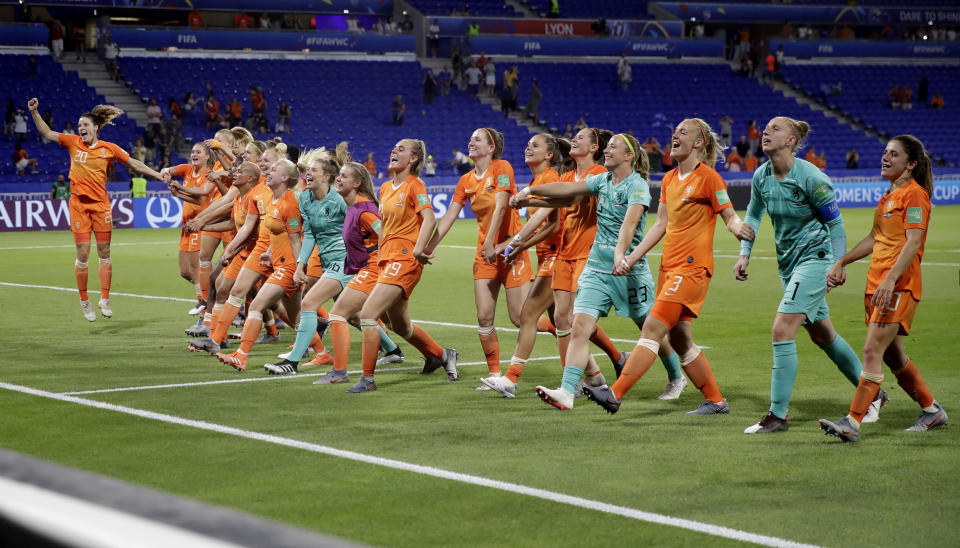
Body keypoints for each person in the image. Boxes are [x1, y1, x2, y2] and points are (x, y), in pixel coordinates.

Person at [580, 118, 753, 415]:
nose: (675, 135)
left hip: (692, 268)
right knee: (680, 339)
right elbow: (660, 224)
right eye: (675, 131)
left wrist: (737, 228)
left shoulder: (709, 178)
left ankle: (614, 394)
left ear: (698, 143)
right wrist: (630, 258)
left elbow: (729, 214)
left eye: (683, 132)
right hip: (669, 269)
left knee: (652, 328)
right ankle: (716, 400)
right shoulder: (670, 179)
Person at [734, 116, 880, 434]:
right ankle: (873, 393)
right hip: (787, 265)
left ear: (790, 141)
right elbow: (754, 215)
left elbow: (835, 224)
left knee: (782, 329)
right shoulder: (761, 177)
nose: (765, 132)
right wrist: (744, 253)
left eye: (774, 129)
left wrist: (837, 264)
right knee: (822, 334)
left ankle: (777, 416)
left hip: (816, 260)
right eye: (765, 128)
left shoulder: (812, 177)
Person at [507, 133, 664, 410]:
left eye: (613, 147)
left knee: (649, 327)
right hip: (593, 265)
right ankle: (569, 390)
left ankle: (675, 375)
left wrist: (620, 254)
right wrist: (531, 194)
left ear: (628, 156)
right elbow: (564, 196)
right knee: (575, 326)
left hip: (627, 268)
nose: (608, 150)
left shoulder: (633, 184)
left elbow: (629, 225)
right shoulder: (599, 180)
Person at [820, 135, 946, 442]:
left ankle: (852, 422)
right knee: (892, 357)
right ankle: (931, 411)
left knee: (871, 350)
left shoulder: (914, 196)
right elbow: (875, 238)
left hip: (898, 285)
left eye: (893, 154)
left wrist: (890, 280)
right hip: (878, 285)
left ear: (911, 164)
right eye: (884, 152)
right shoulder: (888, 196)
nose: (884, 158)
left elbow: (914, 241)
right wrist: (842, 262)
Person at [263, 148, 400, 375]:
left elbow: (366, 222)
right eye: (307, 171)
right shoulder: (306, 199)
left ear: (327, 177)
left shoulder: (339, 200)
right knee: (353, 316)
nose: (307, 175)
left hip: (344, 260)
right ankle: (393, 349)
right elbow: (311, 235)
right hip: (328, 260)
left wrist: (381, 252)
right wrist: (300, 264)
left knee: (308, 303)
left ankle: (293, 361)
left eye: (313, 171)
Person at [27, 98, 162, 321]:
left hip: (101, 206)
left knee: (105, 252)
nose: (81, 129)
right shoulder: (72, 142)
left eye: (85, 125)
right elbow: (48, 133)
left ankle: (105, 298)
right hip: (79, 205)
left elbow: (134, 163)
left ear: (96, 128)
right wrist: (34, 113)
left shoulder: (109, 149)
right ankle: (84, 301)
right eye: (80, 126)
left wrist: (157, 174)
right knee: (82, 254)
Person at [348, 139, 459, 391]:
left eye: (401, 149)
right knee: (397, 325)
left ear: (413, 159)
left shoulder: (415, 184)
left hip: (405, 259)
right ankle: (441, 355)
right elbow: (384, 226)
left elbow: (429, 218)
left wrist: (420, 248)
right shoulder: (386, 186)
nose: (393, 151)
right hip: (386, 259)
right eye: (394, 147)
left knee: (367, 314)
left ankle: (367, 380)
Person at [427, 128, 532, 385]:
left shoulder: (501, 167)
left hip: (511, 250)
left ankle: (561, 326)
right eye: (470, 138)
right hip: (485, 255)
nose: (470, 142)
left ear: (491, 147)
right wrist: (429, 246)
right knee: (484, 316)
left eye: (477, 139)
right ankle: (495, 374)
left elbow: (501, 206)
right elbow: (449, 216)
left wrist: (491, 243)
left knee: (519, 318)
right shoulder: (465, 181)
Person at [310, 161, 410, 385]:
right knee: (397, 324)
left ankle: (339, 372)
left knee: (337, 315)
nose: (338, 179)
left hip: (375, 266)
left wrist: (385, 260)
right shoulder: (354, 206)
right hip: (369, 266)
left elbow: (383, 231)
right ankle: (439, 355)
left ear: (357, 183)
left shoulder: (364, 210)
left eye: (344, 176)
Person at [216, 158, 304, 371]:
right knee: (296, 317)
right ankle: (321, 352)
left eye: (274, 169)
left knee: (257, 305)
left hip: (288, 266)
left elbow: (295, 238)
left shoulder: (290, 203)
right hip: (277, 261)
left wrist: (300, 269)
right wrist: (269, 252)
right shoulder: (274, 200)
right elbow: (279, 233)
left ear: (285, 178)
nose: (269, 170)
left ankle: (241, 356)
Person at [162, 143, 216, 310]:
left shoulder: (209, 174)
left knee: (196, 267)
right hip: (186, 225)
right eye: (192, 151)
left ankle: (204, 300)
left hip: (200, 224)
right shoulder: (186, 169)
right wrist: (166, 173)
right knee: (185, 271)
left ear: (207, 156)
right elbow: (169, 170)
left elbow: (203, 194)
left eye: (198, 152)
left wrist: (181, 188)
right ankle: (213, 288)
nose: (194, 154)